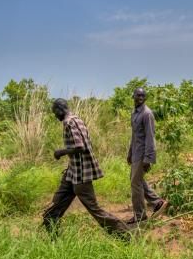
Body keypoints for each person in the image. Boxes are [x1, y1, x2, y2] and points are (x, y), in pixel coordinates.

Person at [43, 98, 130, 238]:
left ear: (60, 109)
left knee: (94, 209)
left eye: (55, 113)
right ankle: (52, 233)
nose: (55, 116)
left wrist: (61, 152)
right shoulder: (77, 119)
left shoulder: (69, 122)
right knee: (56, 205)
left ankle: (124, 233)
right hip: (73, 172)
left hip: (81, 174)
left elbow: (80, 147)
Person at [126, 88, 167, 224]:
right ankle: (157, 202)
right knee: (138, 181)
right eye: (138, 95)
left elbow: (150, 137)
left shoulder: (147, 114)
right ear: (133, 96)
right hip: (136, 153)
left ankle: (140, 215)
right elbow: (134, 136)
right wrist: (130, 152)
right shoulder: (134, 113)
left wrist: (148, 159)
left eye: (143, 96)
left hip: (143, 154)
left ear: (145, 98)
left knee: (135, 183)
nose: (140, 98)